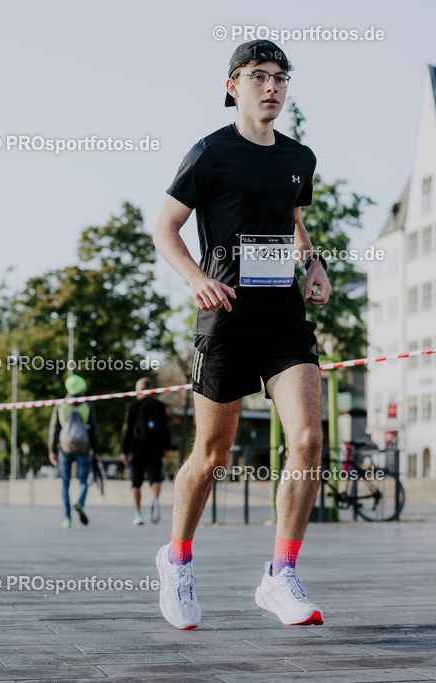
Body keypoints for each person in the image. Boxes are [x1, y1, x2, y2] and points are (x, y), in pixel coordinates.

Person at [152, 39, 329, 629]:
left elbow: (295, 220)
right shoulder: (210, 153)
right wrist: (197, 279)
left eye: (281, 77)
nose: (272, 86)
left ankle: (280, 575)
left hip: (283, 318)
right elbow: (166, 228)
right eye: (259, 76)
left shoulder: (298, 157)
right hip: (225, 318)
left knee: (307, 440)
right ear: (234, 86)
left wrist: (313, 264)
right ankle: (176, 560)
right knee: (213, 455)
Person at [48, 374, 98, 528]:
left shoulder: (61, 404)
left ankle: (66, 518)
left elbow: (54, 428)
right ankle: (80, 503)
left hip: (65, 446)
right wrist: (95, 450)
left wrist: (52, 450)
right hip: (83, 446)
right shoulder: (87, 405)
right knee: (83, 480)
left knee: (65, 482)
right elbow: (93, 430)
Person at [121, 378, 172, 526]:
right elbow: (165, 428)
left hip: (138, 447)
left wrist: (124, 451)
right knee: (155, 478)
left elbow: (127, 429)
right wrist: (166, 447)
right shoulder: (160, 406)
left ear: (138, 390)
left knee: (136, 482)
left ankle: (138, 514)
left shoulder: (133, 406)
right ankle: (155, 499)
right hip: (156, 447)